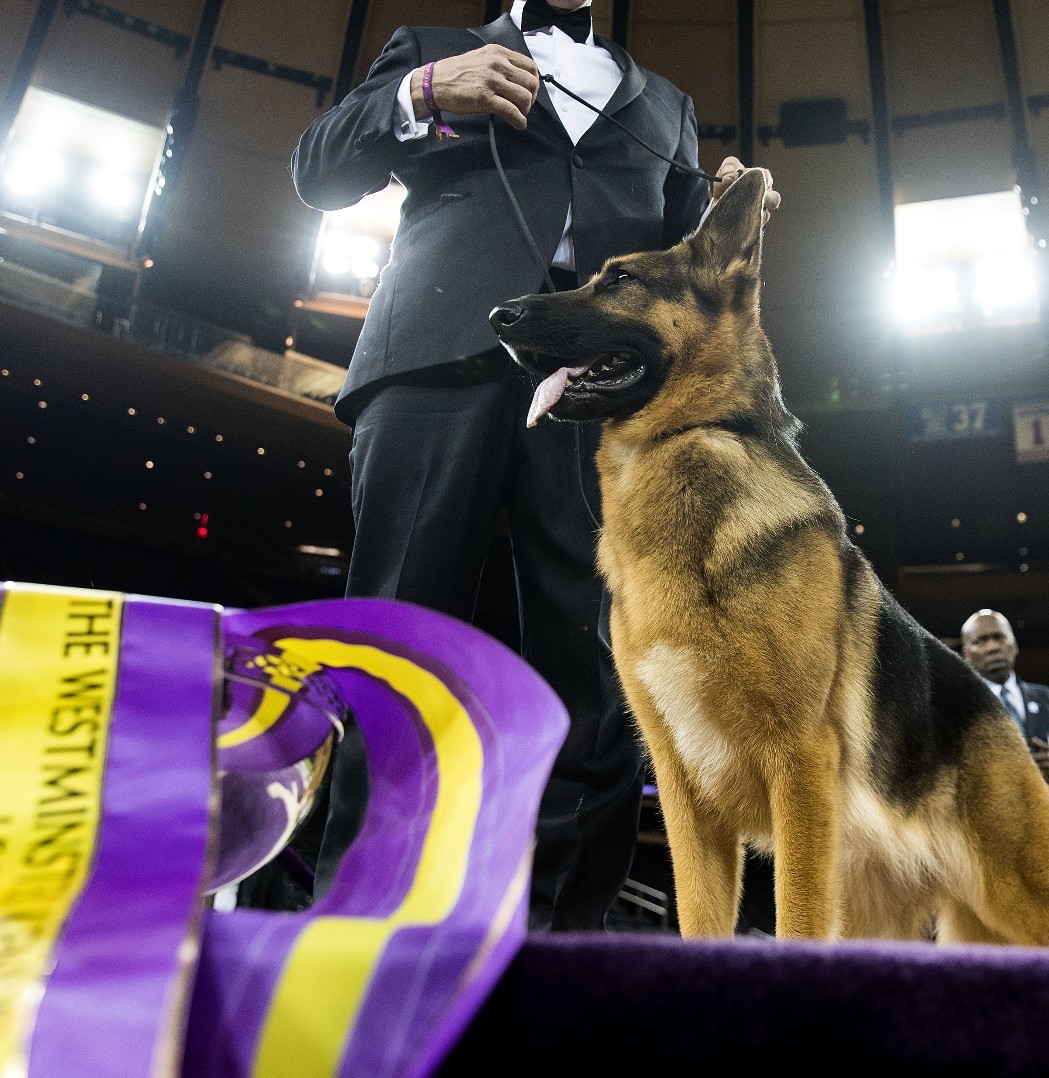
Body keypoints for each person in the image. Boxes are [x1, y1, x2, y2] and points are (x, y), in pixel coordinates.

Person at [288, 0, 769, 928]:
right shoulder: (434, 50)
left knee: (597, 663)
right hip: (439, 358)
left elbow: (681, 272)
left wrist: (728, 225)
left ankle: (565, 938)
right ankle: (360, 925)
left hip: (598, 388)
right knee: (399, 632)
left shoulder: (668, 104)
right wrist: (423, 91)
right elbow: (316, 172)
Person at [958, 609, 1049, 808]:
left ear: (1014, 645)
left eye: (999, 637)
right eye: (980, 641)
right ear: (966, 655)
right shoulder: (952, 711)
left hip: (1047, 826)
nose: (992, 647)